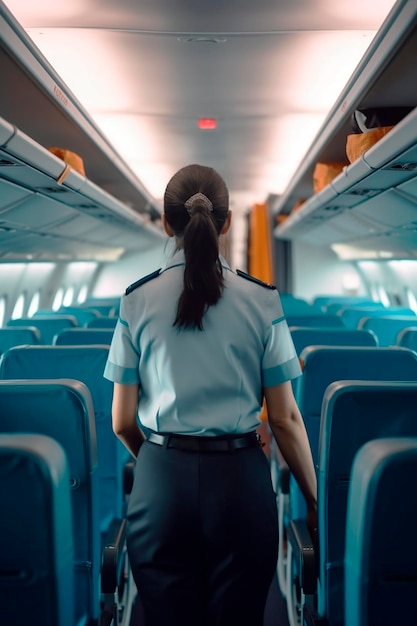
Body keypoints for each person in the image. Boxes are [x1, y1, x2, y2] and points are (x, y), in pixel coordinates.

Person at [103, 164, 317, 626]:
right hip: (239, 481)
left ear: (166, 223)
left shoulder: (135, 301)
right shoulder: (263, 300)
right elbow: (283, 420)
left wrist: (160, 461)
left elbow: (121, 421)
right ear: (227, 222)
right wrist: (316, 500)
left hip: (160, 481)